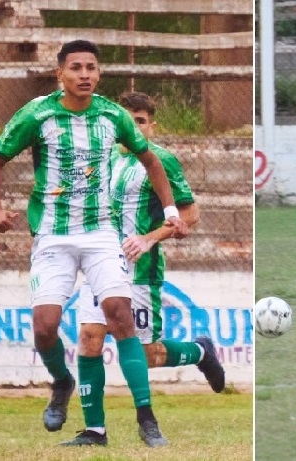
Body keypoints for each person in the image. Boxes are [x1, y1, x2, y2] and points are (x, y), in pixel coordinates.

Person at [0, 40, 189, 446]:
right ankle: (62, 382)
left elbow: (150, 159)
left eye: (91, 68)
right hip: (53, 236)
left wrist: (169, 212)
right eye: (75, 67)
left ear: (99, 73)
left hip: (100, 233)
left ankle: (147, 418)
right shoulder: (38, 114)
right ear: (59, 73)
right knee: (45, 327)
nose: (84, 75)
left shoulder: (112, 115)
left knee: (119, 314)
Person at [61, 92, 225, 447]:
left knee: (147, 354)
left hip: (140, 272)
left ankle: (199, 351)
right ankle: (94, 430)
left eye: (140, 121)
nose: (133, 127)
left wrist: (150, 238)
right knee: (90, 336)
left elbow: (190, 213)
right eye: (128, 120)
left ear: (152, 126)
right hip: (101, 265)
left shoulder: (160, 160)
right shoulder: (104, 158)